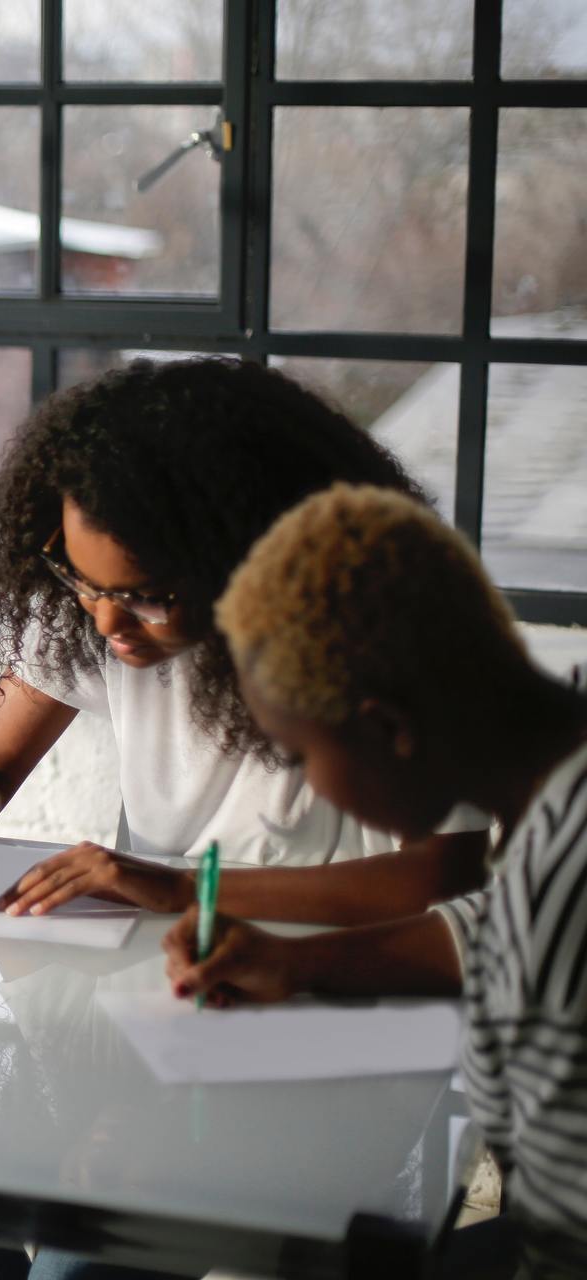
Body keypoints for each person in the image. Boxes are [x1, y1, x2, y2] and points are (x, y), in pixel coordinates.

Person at [0, 359, 489, 1280]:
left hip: (339, 1022)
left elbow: (454, 890)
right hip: (161, 998)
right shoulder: (99, 604)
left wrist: (178, 890)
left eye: (148, 596)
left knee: (82, 1268)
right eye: (82, 583)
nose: (108, 627)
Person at [165, 484, 587, 1280]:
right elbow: (492, 926)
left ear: (389, 729)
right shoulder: (556, 790)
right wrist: (296, 964)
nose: (312, 791)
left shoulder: (570, 877)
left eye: (300, 757)